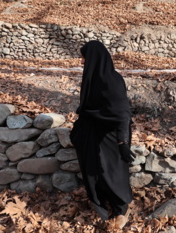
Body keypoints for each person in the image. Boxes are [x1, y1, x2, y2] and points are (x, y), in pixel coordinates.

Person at [70, 40, 135, 230]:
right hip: (93, 131)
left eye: (84, 58)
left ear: (94, 58)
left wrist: (123, 142)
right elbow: (90, 108)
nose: (82, 62)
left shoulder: (112, 80)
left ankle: (122, 209)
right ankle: (101, 205)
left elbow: (122, 113)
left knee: (112, 172)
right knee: (93, 170)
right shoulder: (92, 77)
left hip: (112, 134)